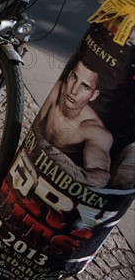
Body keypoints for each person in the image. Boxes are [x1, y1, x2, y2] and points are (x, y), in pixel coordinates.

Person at [32, 58, 113, 188]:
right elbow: (34, 131)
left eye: (85, 86)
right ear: (69, 75)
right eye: (74, 78)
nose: (74, 90)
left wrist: (69, 169)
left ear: (93, 95)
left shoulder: (94, 130)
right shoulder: (58, 91)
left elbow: (100, 178)